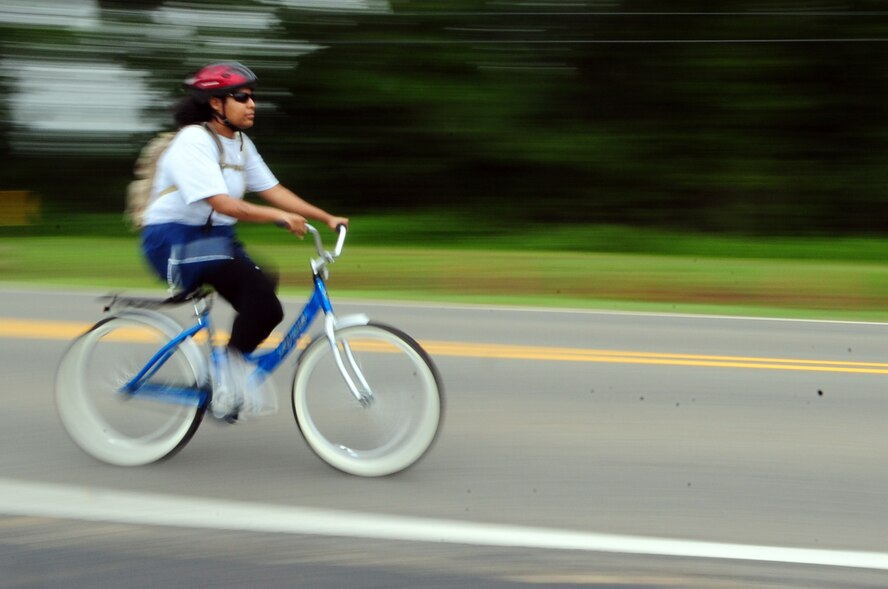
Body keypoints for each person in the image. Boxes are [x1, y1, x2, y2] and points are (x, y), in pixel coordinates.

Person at [140, 61, 348, 420]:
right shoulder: (193, 140)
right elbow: (223, 204)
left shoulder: (239, 143)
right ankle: (231, 375)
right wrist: (278, 218)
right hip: (171, 241)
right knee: (245, 274)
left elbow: (273, 189)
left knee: (266, 301)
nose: (252, 104)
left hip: (214, 240)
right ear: (216, 104)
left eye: (253, 97)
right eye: (242, 97)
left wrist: (324, 216)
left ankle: (227, 370)